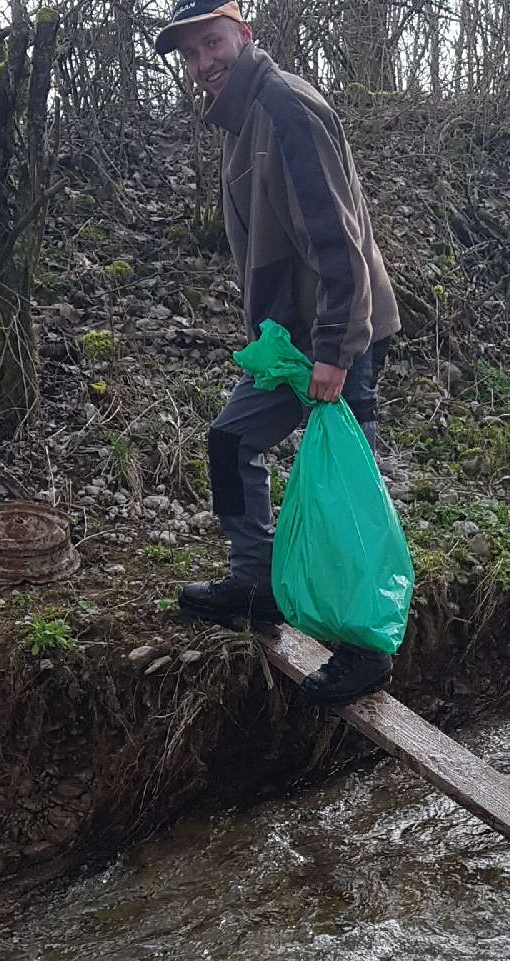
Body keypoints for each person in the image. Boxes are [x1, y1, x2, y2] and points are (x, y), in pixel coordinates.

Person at [155, 0, 402, 703]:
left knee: (344, 489)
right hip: (289, 341)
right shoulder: (241, 117)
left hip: (336, 332)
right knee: (231, 440)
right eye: (190, 54)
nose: (203, 63)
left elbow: (338, 236)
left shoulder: (284, 107)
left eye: (212, 43)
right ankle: (256, 585)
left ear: (244, 34)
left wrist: (335, 350)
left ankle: (365, 647)